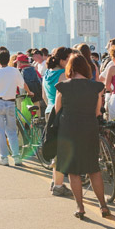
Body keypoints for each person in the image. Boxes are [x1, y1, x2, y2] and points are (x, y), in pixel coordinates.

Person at [55, 53, 110, 219]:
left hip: (69, 129)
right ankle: (103, 206)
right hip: (89, 128)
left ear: (70, 68)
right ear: (86, 68)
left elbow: (58, 110)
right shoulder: (96, 87)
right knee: (94, 169)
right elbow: (97, 112)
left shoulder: (63, 86)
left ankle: (80, 207)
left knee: (74, 171)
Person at [0, 50, 31, 165]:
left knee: (0, 131)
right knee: (12, 131)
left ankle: (4, 158)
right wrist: (29, 92)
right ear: (9, 59)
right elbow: (23, 84)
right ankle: (16, 157)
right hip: (11, 102)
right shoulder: (14, 71)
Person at [44, 47, 73, 196]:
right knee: (62, 151)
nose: (70, 62)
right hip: (59, 112)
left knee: (56, 149)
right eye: (68, 59)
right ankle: (59, 186)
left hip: (49, 110)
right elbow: (61, 97)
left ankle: (55, 181)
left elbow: (45, 95)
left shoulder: (47, 73)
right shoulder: (63, 74)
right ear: (62, 60)